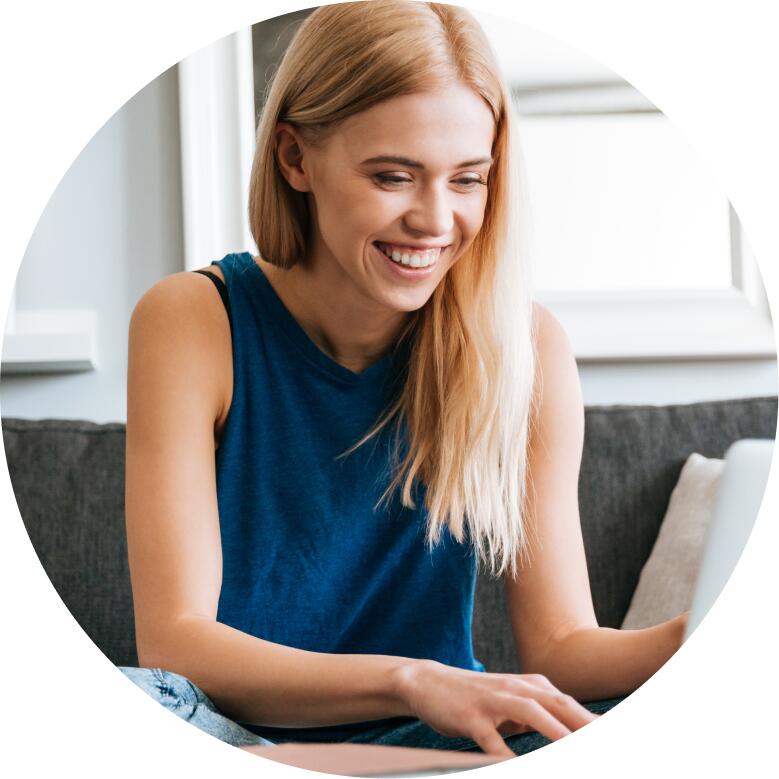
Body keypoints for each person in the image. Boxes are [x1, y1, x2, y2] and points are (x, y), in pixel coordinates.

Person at [120, 0, 688, 760]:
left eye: (466, 180)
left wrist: (707, 626)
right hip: (229, 738)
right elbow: (177, 643)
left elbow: (560, 646)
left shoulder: (525, 347)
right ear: (294, 158)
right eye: (393, 176)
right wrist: (412, 678)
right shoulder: (193, 320)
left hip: (430, 744)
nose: (434, 220)